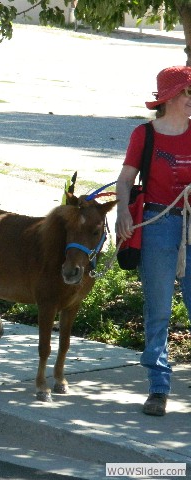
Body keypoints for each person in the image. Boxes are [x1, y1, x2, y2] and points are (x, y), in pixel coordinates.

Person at [116, 65, 191, 417]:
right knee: (158, 310)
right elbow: (126, 179)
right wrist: (123, 213)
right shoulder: (144, 135)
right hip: (158, 224)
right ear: (173, 97)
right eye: (189, 93)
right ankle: (158, 387)